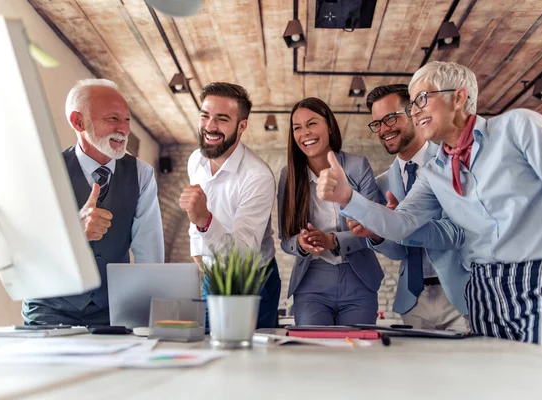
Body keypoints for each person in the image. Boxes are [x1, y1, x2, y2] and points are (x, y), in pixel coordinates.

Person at [317, 61, 542, 350]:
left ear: (459, 98)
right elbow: (401, 224)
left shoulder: (518, 127)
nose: (416, 110)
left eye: (422, 98)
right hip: (485, 288)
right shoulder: (434, 172)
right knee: (498, 386)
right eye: (412, 105)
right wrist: (348, 198)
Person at [22, 79, 165, 326]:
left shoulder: (141, 174)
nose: (124, 129)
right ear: (78, 122)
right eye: (113, 119)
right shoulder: (44, 170)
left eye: (127, 119)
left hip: (113, 311)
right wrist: (74, 233)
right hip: (48, 309)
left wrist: (149, 317)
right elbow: (25, 248)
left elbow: (148, 253)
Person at [347, 84, 468, 330]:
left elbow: (459, 233)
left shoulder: (449, 163)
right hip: (413, 299)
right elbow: (398, 252)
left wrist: (403, 221)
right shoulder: (381, 184)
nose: (384, 129)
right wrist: (377, 234)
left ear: (413, 111)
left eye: (391, 118)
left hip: (460, 294)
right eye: (377, 123)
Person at [179, 82, 280, 329]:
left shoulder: (257, 176)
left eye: (222, 119)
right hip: (213, 277)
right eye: (205, 116)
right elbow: (195, 216)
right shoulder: (196, 160)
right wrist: (198, 253)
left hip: (252, 281)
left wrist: (204, 220)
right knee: (207, 349)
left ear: (242, 125)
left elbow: (244, 254)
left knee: (251, 361)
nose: (210, 126)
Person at [278, 97, 383, 325]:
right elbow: (286, 239)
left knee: (357, 353)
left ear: (329, 125)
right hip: (311, 283)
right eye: (297, 128)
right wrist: (302, 243)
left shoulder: (358, 166)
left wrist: (332, 240)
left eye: (312, 123)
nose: (305, 133)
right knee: (315, 355)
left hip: (359, 279)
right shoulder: (289, 176)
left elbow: (375, 227)